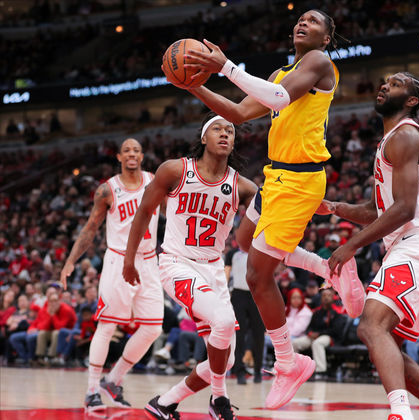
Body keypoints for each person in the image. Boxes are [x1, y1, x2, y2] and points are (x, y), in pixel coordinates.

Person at [173, 10, 365, 409]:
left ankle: (288, 361)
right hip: (276, 176)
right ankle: (328, 266)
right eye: (298, 19)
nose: (301, 23)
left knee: (258, 275)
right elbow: (240, 114)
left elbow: (278, 99)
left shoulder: (318, 62)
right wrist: (191, 86)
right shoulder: (281, 72)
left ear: (326, 38)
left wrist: (225, 66)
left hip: (300, 180)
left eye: (312, 21)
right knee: (244, 242)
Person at [319, 72, 419, 420]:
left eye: (396, 84)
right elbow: (376, 210)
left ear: (412, 100)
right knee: (386, 342)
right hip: (413, 242)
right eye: (385, 82)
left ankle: (400, 414)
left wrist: (350, 246)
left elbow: (404, 209)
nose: (385, 85)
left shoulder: (405, 136)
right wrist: (335, 208)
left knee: (370, 326)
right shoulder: (390, 141)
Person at [124, 115, 250, 419]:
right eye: (217, 129)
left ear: (234, 142)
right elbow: (143, 212)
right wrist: (129, 259)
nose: (224, 134)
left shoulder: (243, 186)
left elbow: (261, 230)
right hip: (176, 263)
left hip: (214, 269)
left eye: (230, 131)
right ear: (204, 138)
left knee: (226, 359)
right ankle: (219, 399)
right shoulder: (176, 170)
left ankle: (164, 403)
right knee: (221, 323)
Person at [60, 138, 163, 412]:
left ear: (142, 156)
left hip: (148, 260)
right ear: (119, 156)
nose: (132, 154)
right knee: (107, 326)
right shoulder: (107, 189)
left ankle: (113, 379)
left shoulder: (155, 182)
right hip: (118, 260)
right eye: (127, 150)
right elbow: (90, 228)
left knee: (153, 327)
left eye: (136, 150)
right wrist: (71, 261)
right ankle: (92, 390)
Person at [227, 247, 265, 385]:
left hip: (257, 294)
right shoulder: (233, 253)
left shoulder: (260, 250)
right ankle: (239, 372)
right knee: (238, 335)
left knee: (258, 334)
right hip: (238, 294)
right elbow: (226, 272)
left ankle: (257, 370)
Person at [292, 288, 345, 378]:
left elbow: (336, 330)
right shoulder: (316, 312)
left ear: (333, 298)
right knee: (295, 343)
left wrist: (319, 334)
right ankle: (294, 368)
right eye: (324, 295)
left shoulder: (336, 312)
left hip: (329, 337)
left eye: (328, 296)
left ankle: (321, 371)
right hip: (314, 336)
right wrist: (309, 333)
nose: (326, 298)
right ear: (320, 298)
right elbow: (309, 327)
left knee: (318, 343)